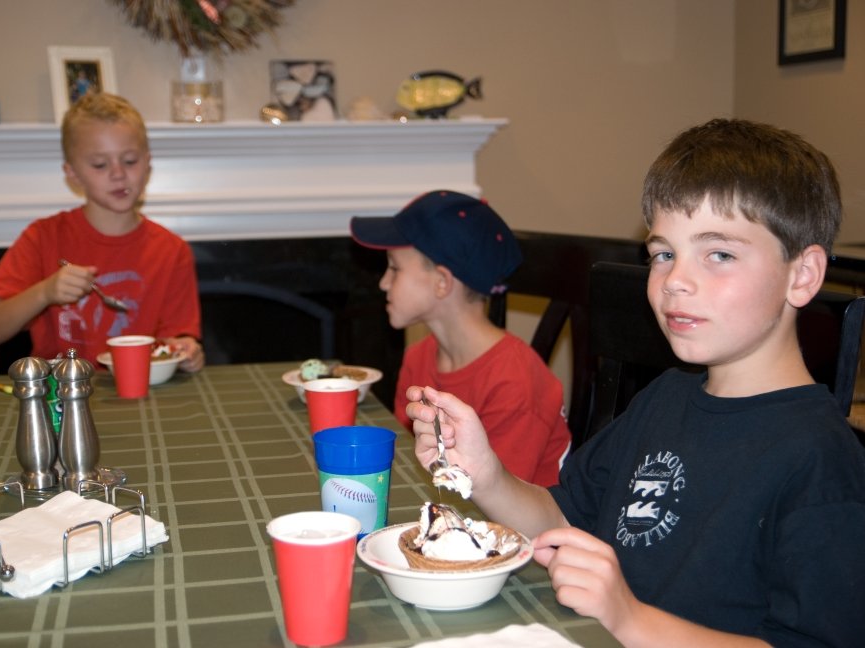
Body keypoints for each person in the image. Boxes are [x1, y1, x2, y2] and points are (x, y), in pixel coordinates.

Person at [405, 119, 865, 647]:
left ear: (802, 275)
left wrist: (630, 618)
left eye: (719, 254)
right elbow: (562, 519)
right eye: (664, 254)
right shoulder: (665, 397)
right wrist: (485, 474)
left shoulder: (821, 462)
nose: (675, 281)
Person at [351, 190, 571, 487]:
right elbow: (407, 459)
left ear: (442, 282)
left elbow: (496, 500)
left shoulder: (515, 382)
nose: (383, 282)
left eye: (394, 268)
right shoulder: (419, 357)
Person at [0, 92, 204, 372]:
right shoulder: (42, 237)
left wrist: (186, 351)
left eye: (130, 160)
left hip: (143, 387)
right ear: (72, 173)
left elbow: (176, 341)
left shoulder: (172, 250)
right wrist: (45, 293)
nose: (118, 174)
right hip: (61, 388)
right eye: (100, 165)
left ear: (147, 163)